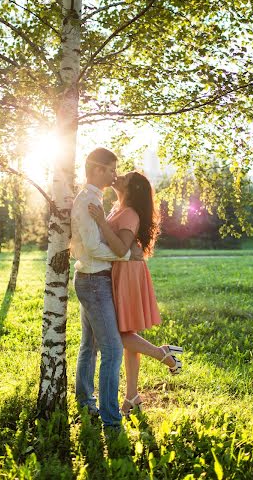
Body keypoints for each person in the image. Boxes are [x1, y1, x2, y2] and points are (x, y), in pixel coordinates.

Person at [88, 170, 183, 416]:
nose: (117, 177)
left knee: (119, 334)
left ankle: (164, 354)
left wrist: (99, 222)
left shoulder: (129, 213)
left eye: (125, 179)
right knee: (129, 335)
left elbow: (119, 249)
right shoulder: (118, 208)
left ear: (132, 190)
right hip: (124, 271)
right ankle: (132, 396)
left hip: (126, 274)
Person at [71, 148, 143, 430]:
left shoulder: (95, 199)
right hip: (93, 281)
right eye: (112, 169)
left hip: (93, 279)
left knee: (90, 346)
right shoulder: (88, 200)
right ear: (97, 169)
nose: (115, 175)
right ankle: (111, 421)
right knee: (112, 350)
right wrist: (127, 255)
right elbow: (91, 246)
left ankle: (85, 403)